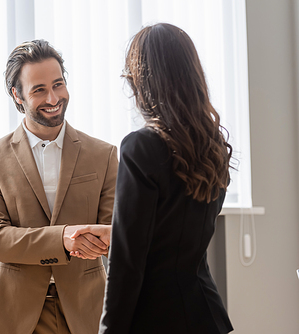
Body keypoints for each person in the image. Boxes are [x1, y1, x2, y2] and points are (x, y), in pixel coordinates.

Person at [95, 23, 234, 333]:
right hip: (207, 315)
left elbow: (128, 264)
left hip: (156, 320)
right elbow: (178, 235)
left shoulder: (141, 146)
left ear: (142, 82)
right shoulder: (213, 147)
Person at [0, 40, 118, 334]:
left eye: (58, 85)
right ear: (18, 94)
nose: (53, 97)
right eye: (39, 89)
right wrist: (62, 239)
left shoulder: (103, 154)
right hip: (15, 312)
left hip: (87, 309)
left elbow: (115, 231)